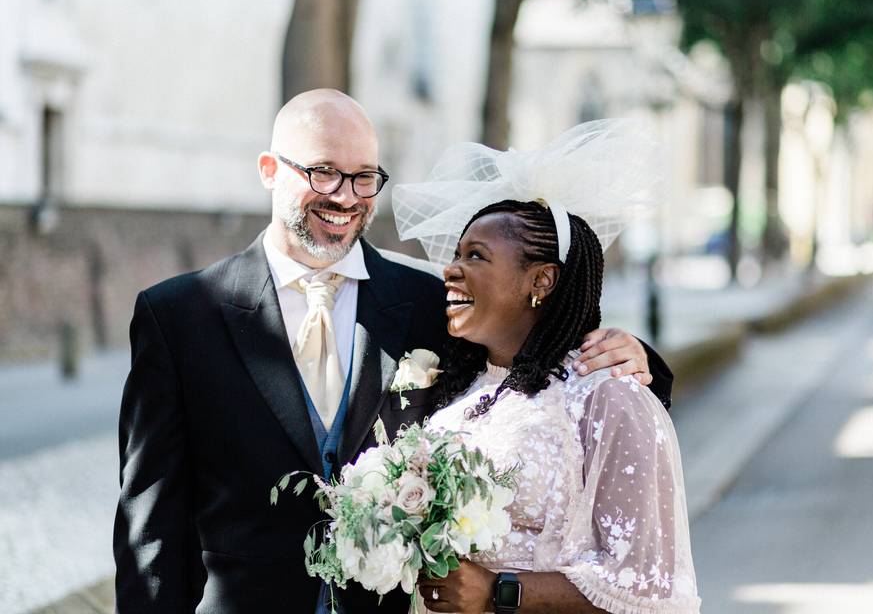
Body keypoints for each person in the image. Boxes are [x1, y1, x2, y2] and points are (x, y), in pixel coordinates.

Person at [113, 90, 673, 614]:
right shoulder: (180, 316)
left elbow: (542, 351)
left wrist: (634, 353)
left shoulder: (431, 304)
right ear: (268, 171)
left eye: (363, 178)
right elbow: (151, 525)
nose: (345, 196)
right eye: (323, 172)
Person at [393, 121, 700, 613]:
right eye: (456, 254)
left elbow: (652, 588)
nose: (450, 270)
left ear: (541, 280)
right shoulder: (460, 387)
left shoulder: (608, 394)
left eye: (476, 256)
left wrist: (499, 592)